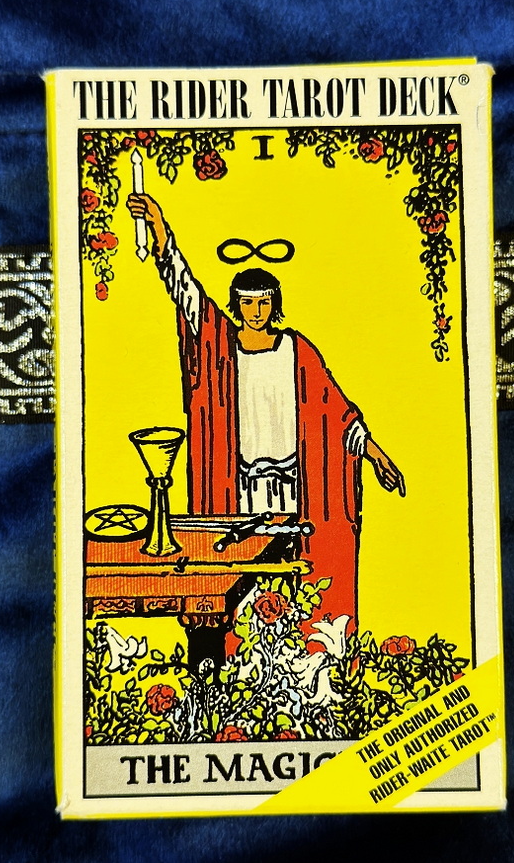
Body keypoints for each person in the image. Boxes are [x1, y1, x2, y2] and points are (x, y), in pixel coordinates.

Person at [126, 191, 404, 630]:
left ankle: (299, 663)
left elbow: (338, 415)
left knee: (296, 586)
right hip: (240, 495)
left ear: (275, 304)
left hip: (296, 494)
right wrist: (160, 231)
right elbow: (185, 291)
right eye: (247, 302)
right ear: (235, 305)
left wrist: (376, 455)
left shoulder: (298, 351)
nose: (256, 311)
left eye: (263, 302)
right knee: (245, 590)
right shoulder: (219, 346)